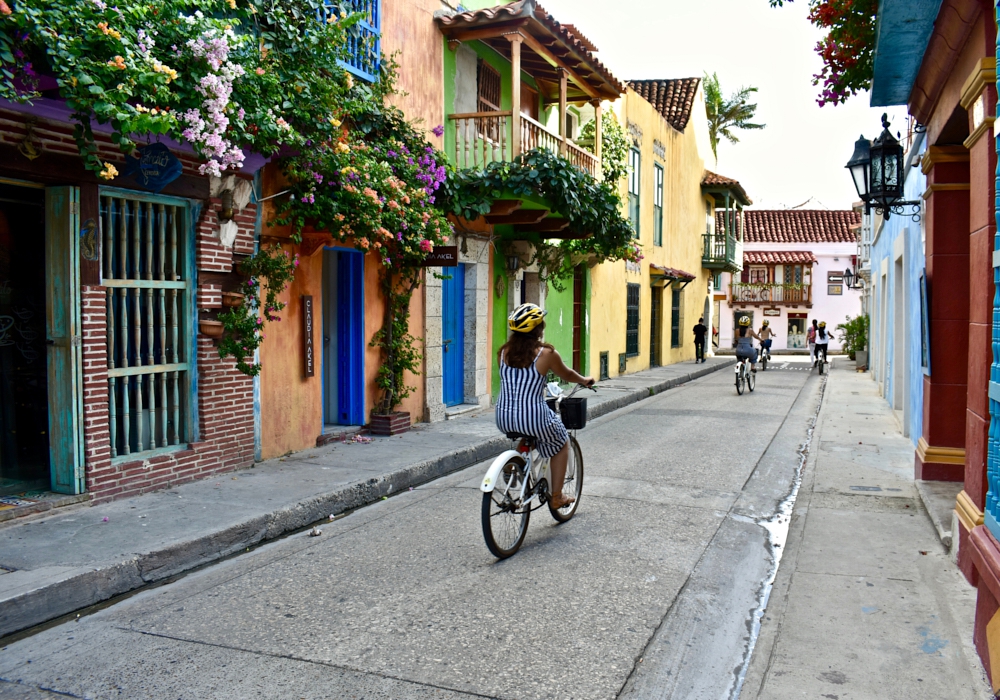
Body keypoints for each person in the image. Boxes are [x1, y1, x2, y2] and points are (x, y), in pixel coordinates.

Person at [496, 303, 595, 510]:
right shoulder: (546, 354)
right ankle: (557, 496)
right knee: (561, 440)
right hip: (533, 416)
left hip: (503, 416)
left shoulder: (503, 352)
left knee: (528, 430)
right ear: (537, 328)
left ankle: (515, 464)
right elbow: (567, 374)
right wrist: (584, 380)